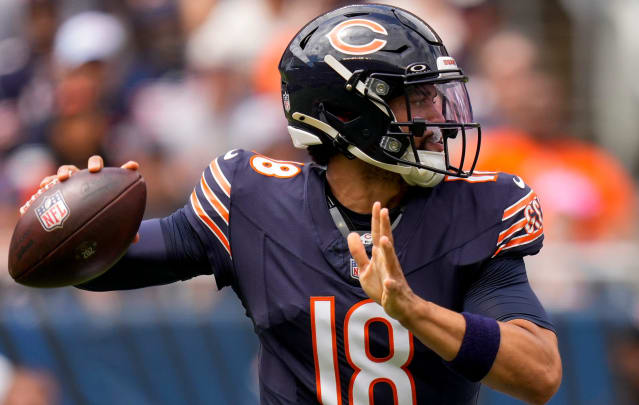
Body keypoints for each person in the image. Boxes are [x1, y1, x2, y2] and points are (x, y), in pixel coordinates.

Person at [29, 4, 561, 404]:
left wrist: (415, 313)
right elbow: (100, 264)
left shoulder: (475, 207)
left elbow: (539, 375)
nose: (438, 114)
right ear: (347, 114)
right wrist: (69, 221)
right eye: (416, 97)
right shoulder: (252, 199)